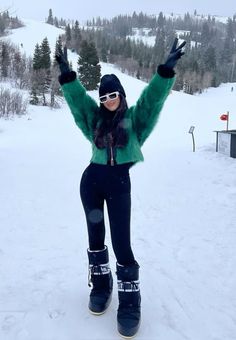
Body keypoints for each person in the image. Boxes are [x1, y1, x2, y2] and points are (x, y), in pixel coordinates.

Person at [56, 37, 186, 338]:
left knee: (121, 244)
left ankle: (130, 301)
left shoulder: (135, 120)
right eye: (103, 97)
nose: (108, 101)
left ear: (122, 95)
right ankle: (101, 286)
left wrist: (164, 72)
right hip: (90, 182)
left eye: (113, 95)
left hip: (118, 185)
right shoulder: (95, 120)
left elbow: (153, 100)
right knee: (95, 239)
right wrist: (67, 76)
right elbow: (78, 103)